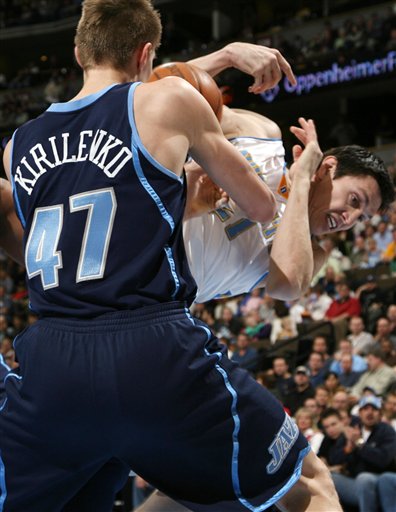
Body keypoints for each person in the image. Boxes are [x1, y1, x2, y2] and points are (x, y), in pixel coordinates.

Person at [0, 1, 341, 511]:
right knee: (308, 482)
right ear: (146, 56)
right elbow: (260, 204)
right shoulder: (167, 100)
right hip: (149, 347)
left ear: (76, 53)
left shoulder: (16, 147)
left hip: (52, 360)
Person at [184, 105, 395, 303]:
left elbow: (284, 287)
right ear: (327, 168)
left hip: (161, 292)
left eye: (362, 218)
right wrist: (227, 63)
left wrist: (302, 179)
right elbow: (176, 100)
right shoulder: (262, 138)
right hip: (156, 218)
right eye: (354, 200)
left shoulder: (311, 255)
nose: (349, 219)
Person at [331, 395, 396, 511]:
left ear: (380, 414)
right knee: (329, 478)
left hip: (378, 479)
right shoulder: (353, 429)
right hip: (353, 481)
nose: (369, 413)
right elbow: (333, 459)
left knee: (364, 478)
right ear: (360, 413)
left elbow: (384, 460)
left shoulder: (387, 431)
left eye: (374, 409)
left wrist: (359, 444)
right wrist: (347, 449)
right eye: (365, 409)